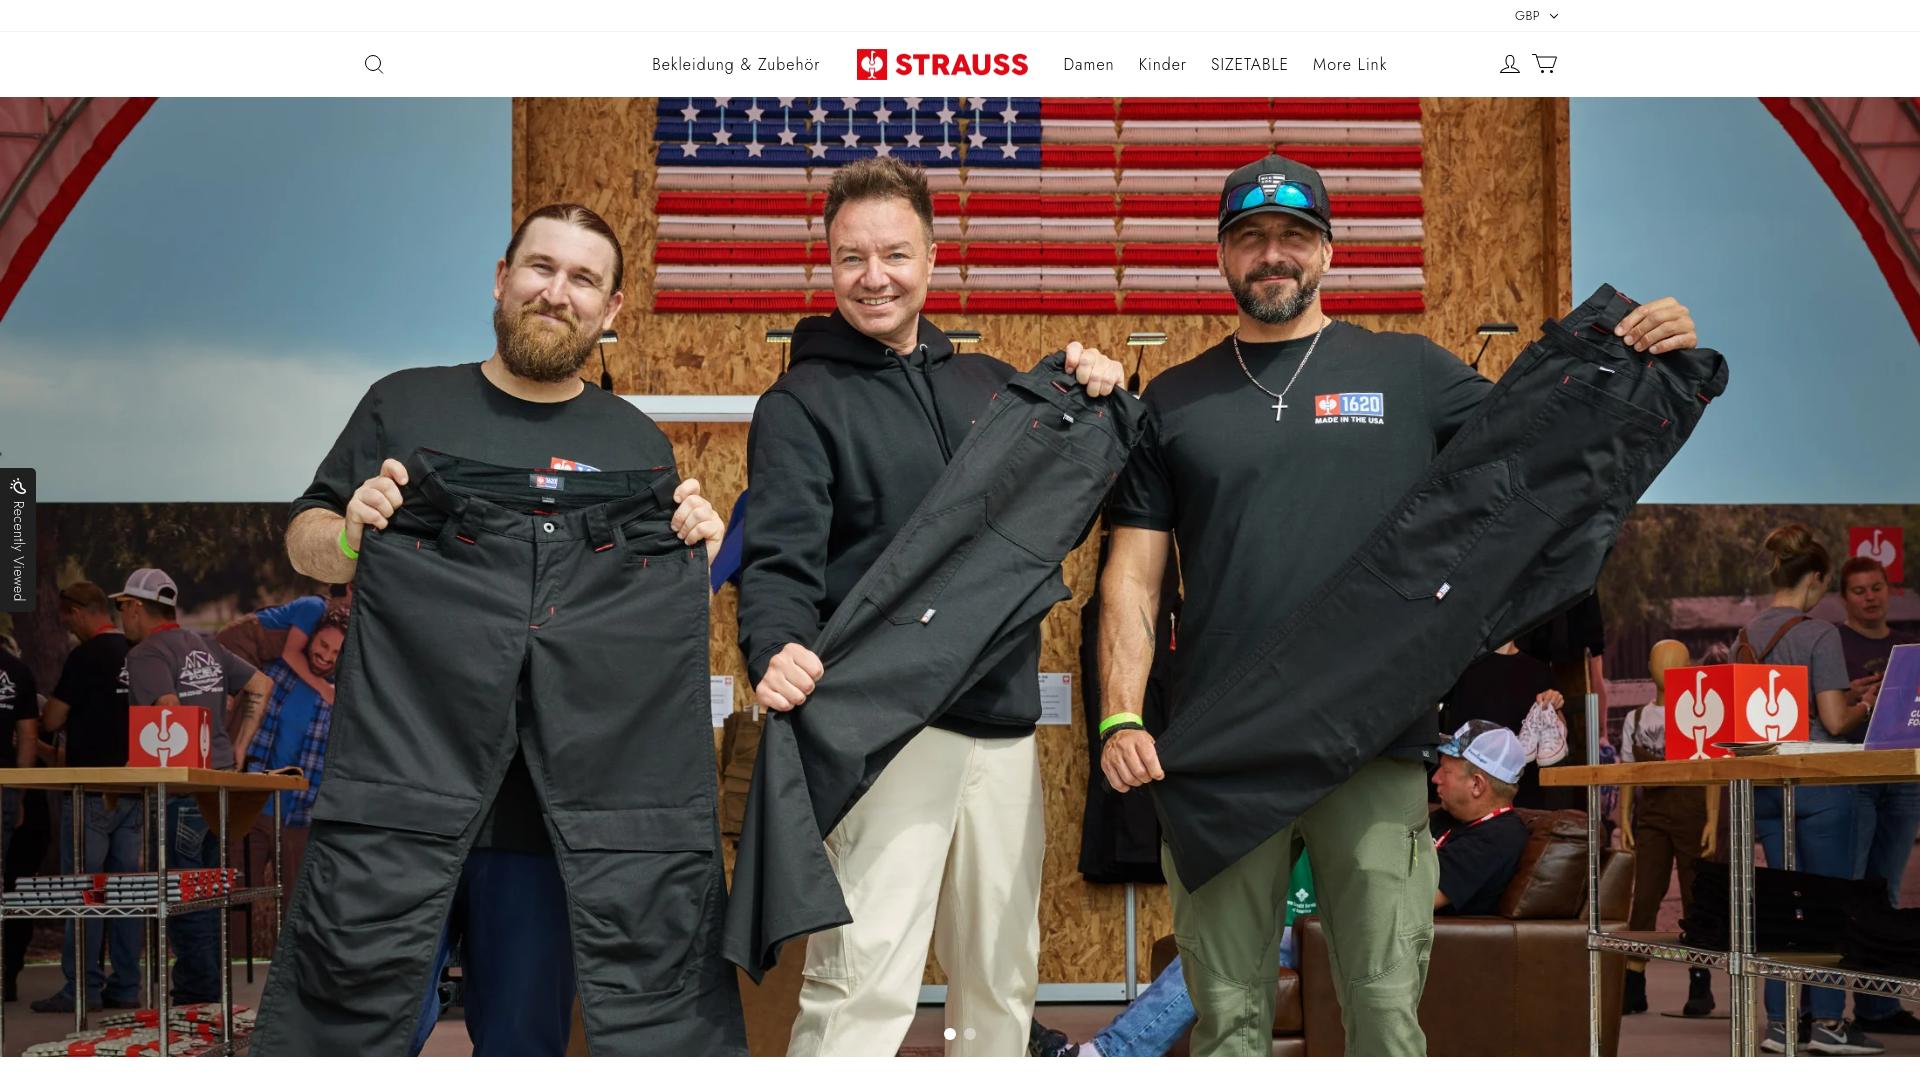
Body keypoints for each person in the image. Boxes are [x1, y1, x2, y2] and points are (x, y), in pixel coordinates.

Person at [1095, 152, 1701, 1056]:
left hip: (1372, 739)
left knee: (1383, 1012)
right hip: (1221, 748)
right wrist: (1119, 716)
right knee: (1227, 1020)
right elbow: (1132, 578)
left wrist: (1646, 360)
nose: (1272, 254)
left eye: (1293, 236)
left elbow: (1542, 443)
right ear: (1221, 256)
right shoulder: (1174, 401)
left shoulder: (1408, 372)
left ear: (1327, 252)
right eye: (1251, 237)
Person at [275, 203, 726, 1056]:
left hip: (545, 827)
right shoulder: (406, 404)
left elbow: (644, 618)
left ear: (611, 307)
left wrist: (691, 553)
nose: (557, 292)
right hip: (400, 794)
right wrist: (351, 534)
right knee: (344, 1036)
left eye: (583, 279)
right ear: (501, 277)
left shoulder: (632, 441)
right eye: (541, 268)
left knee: (523, 1048)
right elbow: (306, 540)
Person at [738, 156, 1124, 1057]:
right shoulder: (799, 403)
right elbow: (779, 559)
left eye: (894, 255)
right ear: (828, 263)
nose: (873, 277)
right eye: (851, 257)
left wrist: (1098, 384)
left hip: (1003, 727)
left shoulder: (992, 386)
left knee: (1001, 982)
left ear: (933, 258)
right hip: (887, 728)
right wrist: (774, 646)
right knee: (862, 984)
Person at [1039, 721, 1531, 1058]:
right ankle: (1110, 1051)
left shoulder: (1497, 835)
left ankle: (1108, 1054)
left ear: (1478, 783)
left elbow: (1419, 897)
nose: (1436, 775)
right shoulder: (1446, 821)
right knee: (1221, 949)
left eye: (1448, 767)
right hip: (1334, 921)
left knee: (1242, 949)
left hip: (1378, 934)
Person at [1736, 525, 1881, 1055]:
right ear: (1816, 578)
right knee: (1827, 904)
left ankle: (1779, 1024)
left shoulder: (1745, 635)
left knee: (1785, 904)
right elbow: (1834, 720)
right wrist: (1866, 703)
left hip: (1767, 784)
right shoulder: (1819, 633)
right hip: (1819, 783)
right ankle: (1827, 1022)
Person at [114, 567, 273, 1005]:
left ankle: (197, 994)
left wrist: (139, 762)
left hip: (180, 790)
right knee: (207, 890)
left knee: (185, 896)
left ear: (136, 607)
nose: (121, 617)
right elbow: (261, 684)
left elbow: (167, 710)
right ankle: (208, 989)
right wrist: (238, 747)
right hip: (216, 784)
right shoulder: (206, 645)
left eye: (122, 607)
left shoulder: (146, 653)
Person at [28, 582, 143, 1013]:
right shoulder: (136, 652)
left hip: (91, 791)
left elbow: (53, 717)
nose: (67, 626)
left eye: (66, 618)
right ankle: (126, 985)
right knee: (127, 892)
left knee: (84, 890)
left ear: (78, 611)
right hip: (134, 788)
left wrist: (48, 715)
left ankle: (83, 987)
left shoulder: (85, 656)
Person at [1832, 555, 1920, 1035]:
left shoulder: (1908, 647)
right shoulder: (1833, 643)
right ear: (1844, 598)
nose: (1870, 597)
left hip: (1903, 775)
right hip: (1855, 775)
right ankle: (1827, 1010)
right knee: (1850, 890)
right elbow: (1823, 709)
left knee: (1886, 891)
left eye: (1876, 587)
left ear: (1890, 590)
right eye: (1859, 590)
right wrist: (1852, 696)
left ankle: (1878, 1007)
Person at [1616, 639, 1718, 1018]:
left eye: (1676, 660)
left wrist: (1712, 818)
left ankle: (1700, 980)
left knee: (1696, 896)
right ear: (1649, 665)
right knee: (1645, 896)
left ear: (1689, 666)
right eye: (1661, 659)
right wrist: (1623, 818)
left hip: (1693, 814)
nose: (1668, 666)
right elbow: (1628, 773)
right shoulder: (1636, 719)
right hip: (1652, 817)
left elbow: (1712, 770)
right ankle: (1633, 979)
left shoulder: (1700, 714)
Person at [238, 604, 347, 889]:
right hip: (254, 807)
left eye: (336, 652)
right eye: (323, 644)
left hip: (302, 818)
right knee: (239, 901)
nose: (326, 656)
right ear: (311, 638)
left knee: (294, 907)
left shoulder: (342, 696)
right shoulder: (275, 674)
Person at [1440, 640, 1572, 808]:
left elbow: (1559, 737)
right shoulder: (1460, 663)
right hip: (1466, 793)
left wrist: (1552, 706)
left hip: (1522, 794)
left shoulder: (1539, 671)